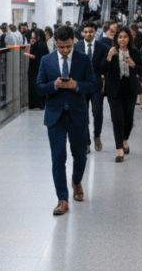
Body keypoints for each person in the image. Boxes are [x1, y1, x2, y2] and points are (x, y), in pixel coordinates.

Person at [36, 25, 97, 216]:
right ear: (55, 42)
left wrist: (76, 85)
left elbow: (94, 84)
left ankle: (76, 181)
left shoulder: (83, 59)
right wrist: (53, 85)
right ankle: (62, 198)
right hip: (55, 117)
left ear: (74, 42)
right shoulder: (46, 60)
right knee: (58, 158)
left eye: (69, 46)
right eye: (61, 47)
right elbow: (38, 86)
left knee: (80, 156)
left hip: (77, 114)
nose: (65, 50)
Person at [104, 26, 142, 162]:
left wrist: (133, 64)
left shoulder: (135, 52)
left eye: (125, 37)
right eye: (120, 37)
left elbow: (141, 69)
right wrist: (109, 57)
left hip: (130, 88)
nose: (122, 39)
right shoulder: (112, 51)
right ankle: (120, 150)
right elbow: (102, 69)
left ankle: (125, 138)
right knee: (117, 120)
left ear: (129, 38)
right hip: (114, 90)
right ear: (116, 39)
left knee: (128, 119)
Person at [76, 22, 109, 151]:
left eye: (91, 31)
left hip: (96, 85)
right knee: (83, 114)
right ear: (82, 33)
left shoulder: (102, 47)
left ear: (95, 32)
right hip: (82, 86)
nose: (88, 34)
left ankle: (97, 136)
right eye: (86, 31)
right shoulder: (77, 47)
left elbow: (105, 66)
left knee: (97, 113)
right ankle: (87, 141)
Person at [26, 29, 50, 110]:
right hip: (41, 67)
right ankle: (41, 104)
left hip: (35, 67)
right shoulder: (43, 44)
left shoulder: (38, 44)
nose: (32, 37)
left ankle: (36, 104)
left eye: (34, 35)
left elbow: (34, 56)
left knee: (34, 85)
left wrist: (25, 53)